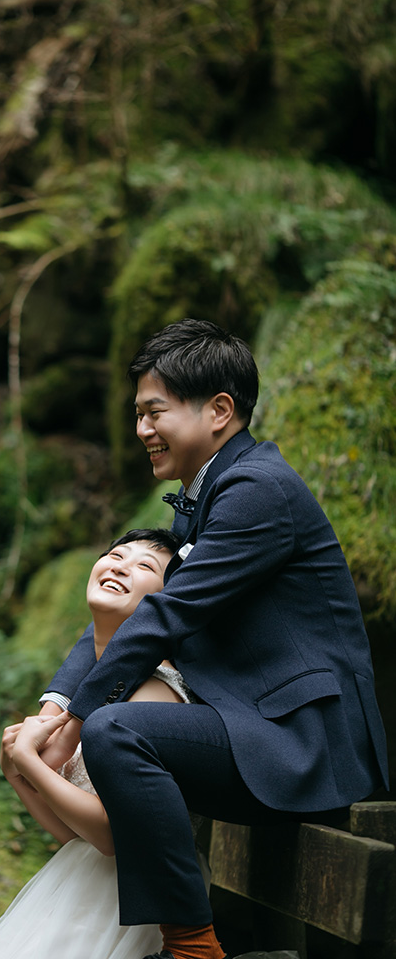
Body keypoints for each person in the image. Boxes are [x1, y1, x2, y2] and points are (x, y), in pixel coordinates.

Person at [39, 318, 389, 959]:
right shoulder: (205, 497)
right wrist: (58, 706)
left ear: (220, 410)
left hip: (307, 738)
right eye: (139, 413)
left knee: (118, 730)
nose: (142, 429)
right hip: (256, 725)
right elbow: (128, 616)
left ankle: (193, 948)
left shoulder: (256, 491)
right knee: (112, 725)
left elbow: (166, 617)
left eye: (154, 412)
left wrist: (83, 715)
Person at [0, 528, 205, 959]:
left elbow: (113, 835)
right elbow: (76, 834)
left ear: (169, 599)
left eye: (145, 566)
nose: (121, 565)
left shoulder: (154, 688)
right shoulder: (95, 686)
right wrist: (16, 776)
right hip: (81, 882)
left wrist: (29, 763)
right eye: (115, 554)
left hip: (131, 899)